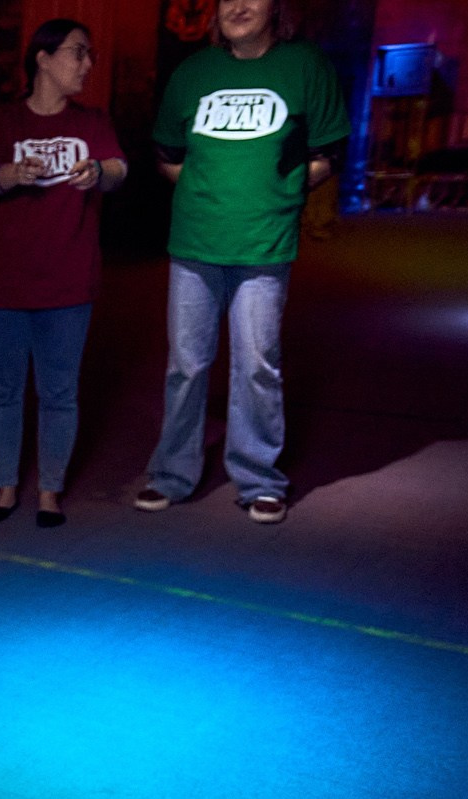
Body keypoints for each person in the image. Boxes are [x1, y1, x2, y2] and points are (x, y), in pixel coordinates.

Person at [134, 0, 346, 524]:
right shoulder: (193, 72)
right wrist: (211, 193)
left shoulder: (304, 65)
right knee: (186, 366)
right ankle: (171, 474)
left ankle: (258, 479)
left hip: (263, 244)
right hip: (194, 242)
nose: (239, 5)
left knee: (256, 365)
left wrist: (276, 194)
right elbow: (167, 155)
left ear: (277, 7)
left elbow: (327, 152)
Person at [0, 18, 126, 528]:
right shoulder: (2, 119)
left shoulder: (92, 120)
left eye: (89, 55)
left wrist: (100, 171)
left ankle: (50, 491)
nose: (85, 64)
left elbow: (120, 168)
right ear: (43, 57)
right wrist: (7, 174)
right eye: (77, 52)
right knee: (4, 389)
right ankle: (6, 485)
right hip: (0, 283)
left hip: (68, 281)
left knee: (60, 390)